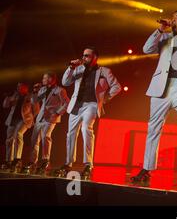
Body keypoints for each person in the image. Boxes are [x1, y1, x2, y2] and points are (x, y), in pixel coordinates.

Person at [131, 10, 177, 192]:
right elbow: (146, 49)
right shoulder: (163, 37)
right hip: (160, 87)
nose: (174, 19)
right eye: (173, 17)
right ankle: (147, 169)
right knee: (153, 128)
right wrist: (160, 29)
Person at [55, 46, 122, 179]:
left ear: (95, 57)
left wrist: (104, 98)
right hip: (76, 105)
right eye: (83, 55)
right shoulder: (78, 69)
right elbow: (65, 82)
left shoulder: (104, 71)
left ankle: (88, 164)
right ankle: (68, 163)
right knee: (71, 133)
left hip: (91, 104)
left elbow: (117, 86)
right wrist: (71, 68)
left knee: (86, 129)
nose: (84, 57)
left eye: (87, 55)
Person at [22, 72, 69, 174]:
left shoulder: (60, 90)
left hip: (51, 118)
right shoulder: (42, 89)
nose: (43, 79)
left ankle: (45, 160)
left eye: (45, 78)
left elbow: (67, 103)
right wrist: (35, 91)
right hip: (40, 117)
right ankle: (32, 161)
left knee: (45, 137)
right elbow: (34, 101)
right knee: (34, 139)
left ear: (52, 79)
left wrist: (57, 113)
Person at [1, 83, 39, 172]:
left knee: (18, 134)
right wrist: (9, 97)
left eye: (20, 86)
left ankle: (17, 159)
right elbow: (5, 105)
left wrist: (31, 117)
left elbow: (36, 109)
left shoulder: (30, 96)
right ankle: (8, 160)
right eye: (17, 86)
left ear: (25, 88)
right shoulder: (15, 96)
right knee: (9, 139)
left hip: (24, 120)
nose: (18, 88)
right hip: (12, 119)